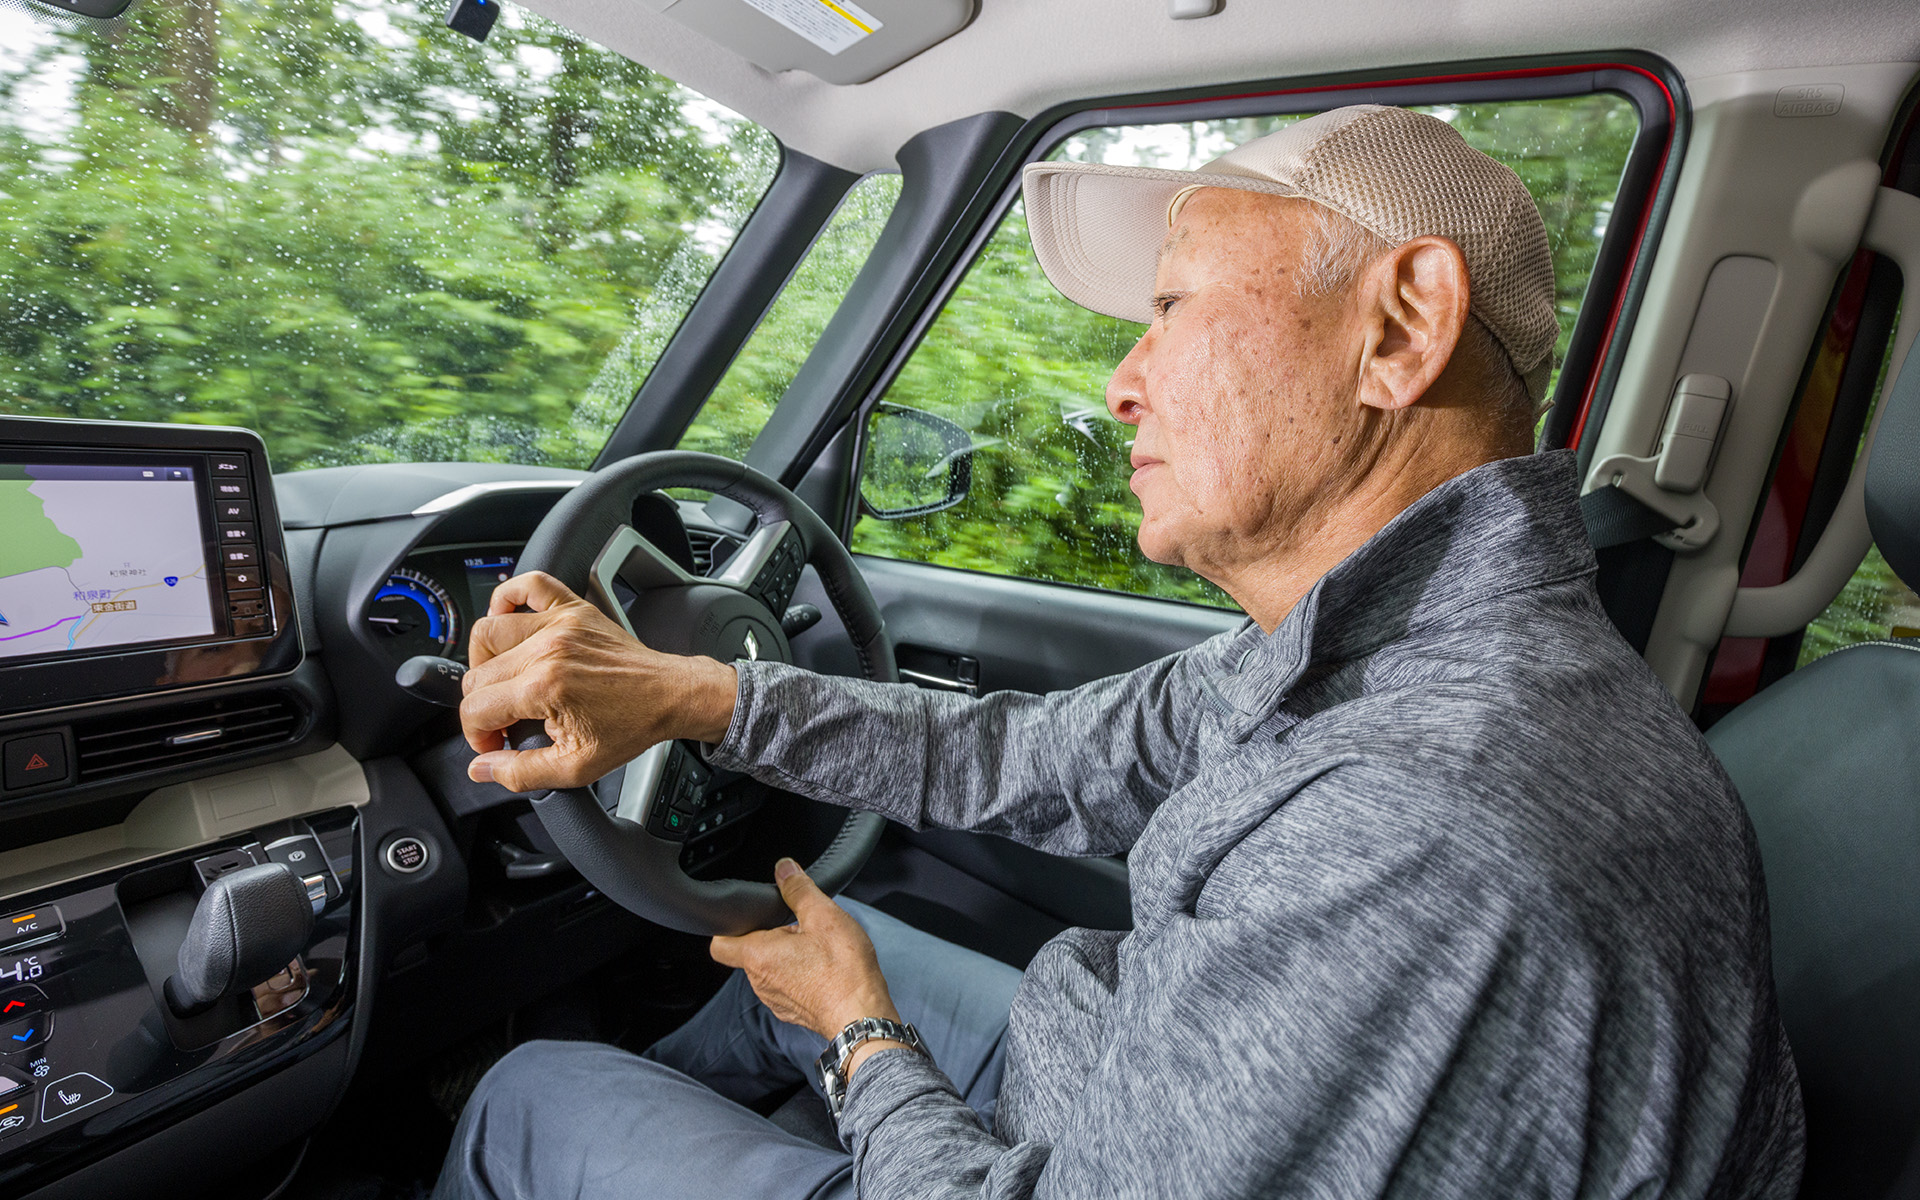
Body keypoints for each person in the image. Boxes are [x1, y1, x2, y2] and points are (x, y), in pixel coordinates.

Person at [432, 105, 1804, 1198]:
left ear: (1398, 330)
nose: (1121, 379)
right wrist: (693, 692)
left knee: (531, 1094)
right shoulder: (1401, 647)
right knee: (794, 965)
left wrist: (863, 1049)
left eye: (1175, 307)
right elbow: (1032, 754)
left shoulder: (1419, 833)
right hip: (1126, 1096)